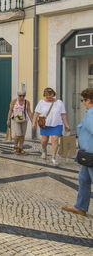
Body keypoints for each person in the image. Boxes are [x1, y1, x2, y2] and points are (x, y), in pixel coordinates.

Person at [62, 88, 93, 217]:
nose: (83, 103)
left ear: (89, 100)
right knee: (83, 180)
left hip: (91, 154)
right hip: (86, 155)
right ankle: (80, 207)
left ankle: (80, 207)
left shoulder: (91, 114)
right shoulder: (89, 113)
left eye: (83, 100)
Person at [32, 87, 70, 166]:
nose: (48, 96)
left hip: (57, 124)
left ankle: (53, 157)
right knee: (44, 141)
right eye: (46, 95)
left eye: (50, 94)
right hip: (45, 124)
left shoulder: (59, 102)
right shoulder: (41, 102)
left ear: (53, 94)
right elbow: (36, 114)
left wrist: (66, 125)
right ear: (44, 95)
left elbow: (63, 115)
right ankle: (44, 151)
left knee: (55, 140)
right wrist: (33, 123)